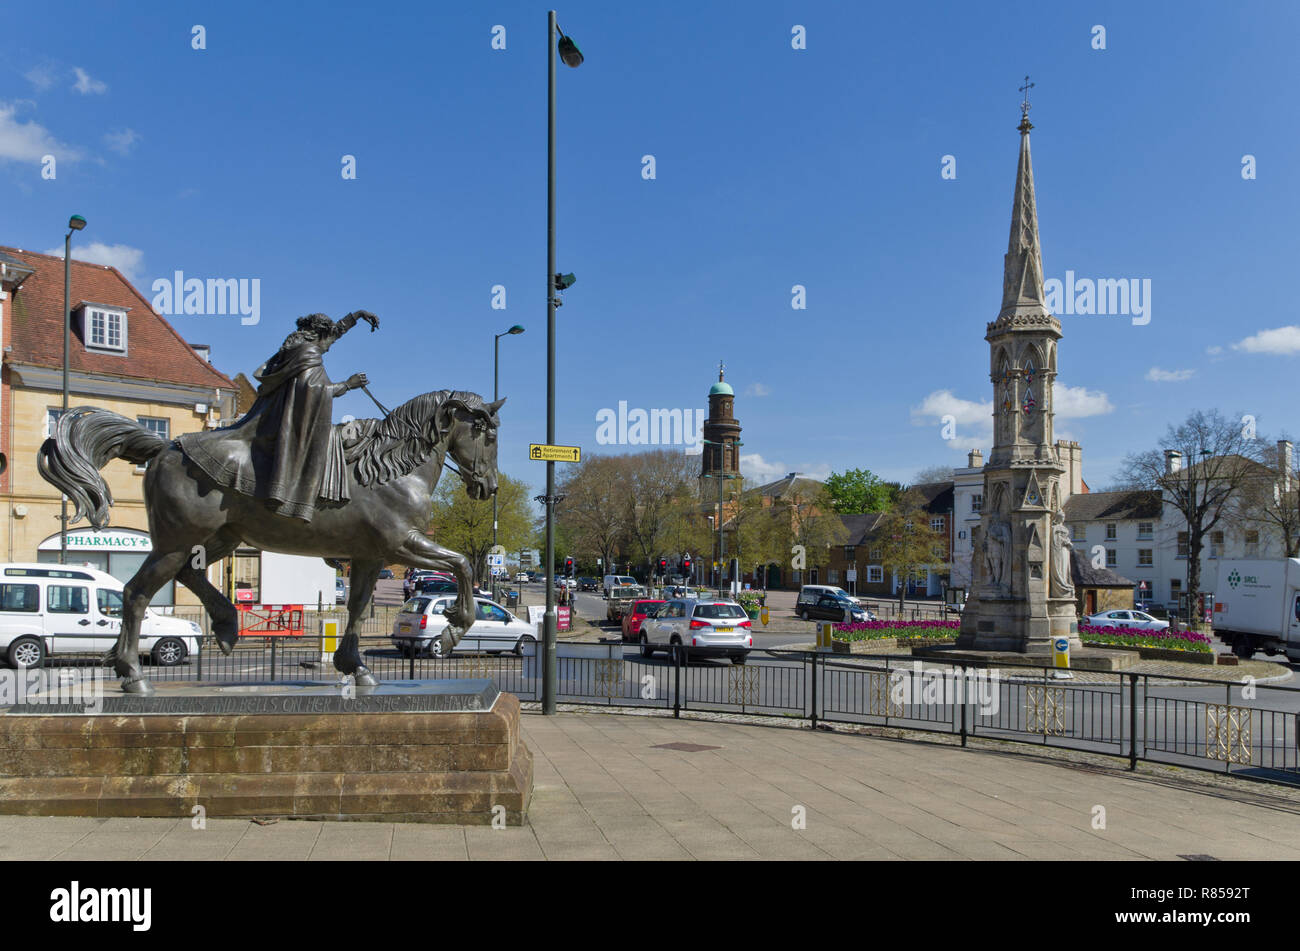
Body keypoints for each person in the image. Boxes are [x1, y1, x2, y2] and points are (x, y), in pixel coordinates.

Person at [179, 310, 378, 521]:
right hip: (288, 423)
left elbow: (334, 333)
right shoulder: (308, 355)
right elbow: (315, 390)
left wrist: (356, 316)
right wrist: (348, 384)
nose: (330, 344)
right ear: (319, 335)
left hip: (276, 415)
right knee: (327, 443)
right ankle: (293, 496)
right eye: (328, 340)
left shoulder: (298, 348)